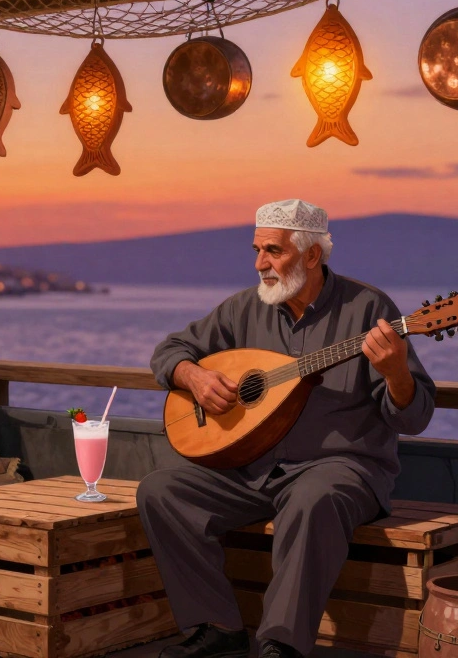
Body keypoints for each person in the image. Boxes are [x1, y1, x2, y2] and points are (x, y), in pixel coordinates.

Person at [139, 199, 435, 658]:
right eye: (257, 250)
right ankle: (216, 628)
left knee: (313, 498)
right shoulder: (243, 310)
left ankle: (282, 644)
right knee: (162, 490)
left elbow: (414, 418)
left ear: (312, 255)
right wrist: (192, 376)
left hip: (340, 467)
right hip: (253, 468)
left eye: (273, 251)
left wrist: (396, 372)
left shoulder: (368, 308)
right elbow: (170, 350)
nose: (261, 264)